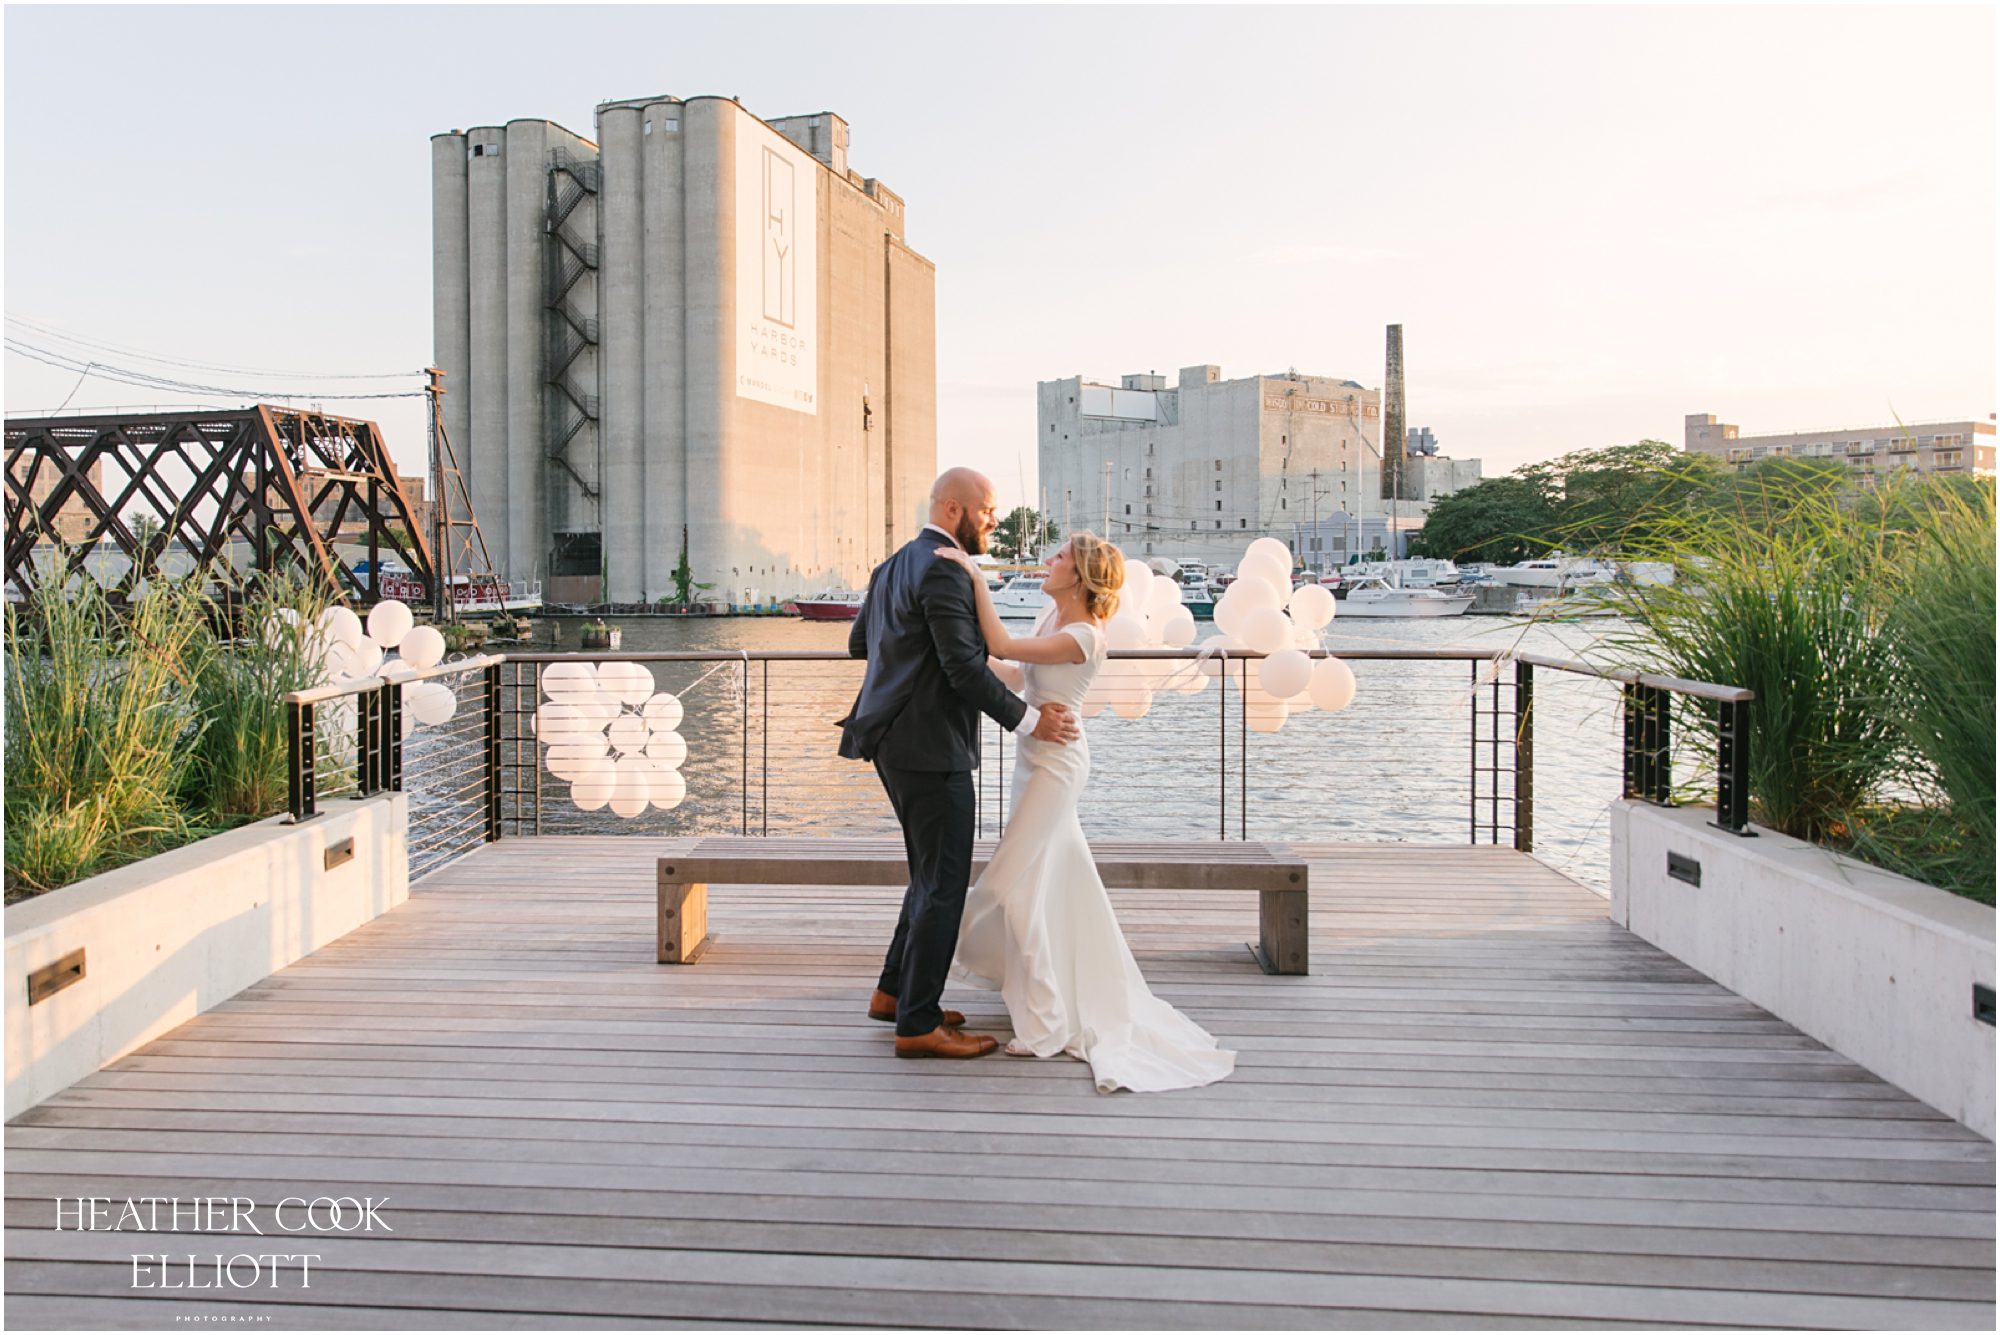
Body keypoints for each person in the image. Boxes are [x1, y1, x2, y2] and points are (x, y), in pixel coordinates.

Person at [933, 531, 1236, 1094]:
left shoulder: (1082, 635)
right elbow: (1014, 673)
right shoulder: (1052, 622)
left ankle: (1045, 1022)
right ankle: (1045, 1001)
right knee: (1049, 883)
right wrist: (960, 660)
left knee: (1008, 885)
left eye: (1060, 557)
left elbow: (998, 639)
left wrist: (975, 578)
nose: (1048, 562)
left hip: (1057, 768)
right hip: (1035, 761)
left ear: (1079, 575)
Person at [838, 468, 1081, 1059]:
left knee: (927, 874)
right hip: (928, 747)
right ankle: (919, 1024)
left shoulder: (894, 564)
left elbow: (860, 645)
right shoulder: (946, 570)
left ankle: (896, 993)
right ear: (953, 509)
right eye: (988, 512)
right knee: (944, 882)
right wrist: (1032, 721)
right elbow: (964, 670)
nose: (994, 523)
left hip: (890, 741)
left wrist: (908, 661)